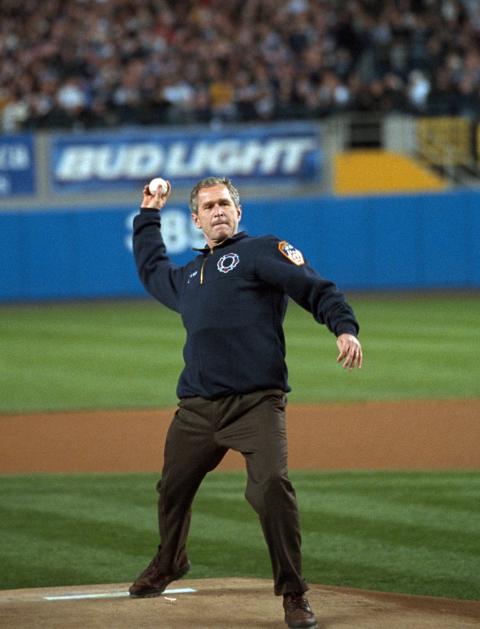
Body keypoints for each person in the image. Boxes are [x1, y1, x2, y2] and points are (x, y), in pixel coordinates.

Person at [129, 176, 363, 628]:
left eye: (225, 204)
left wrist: (344, 326)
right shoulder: (190, 277)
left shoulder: (259, 252)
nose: (218, 211)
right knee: (171, 490)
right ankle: (169, 561)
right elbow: (153, 269)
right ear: (194, 220)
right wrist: (148, 215)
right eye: (208, 206)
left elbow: (314, 287)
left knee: (272, 487)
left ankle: (293, 592)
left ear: (239, 212)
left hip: (256, 404)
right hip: (196, 410)